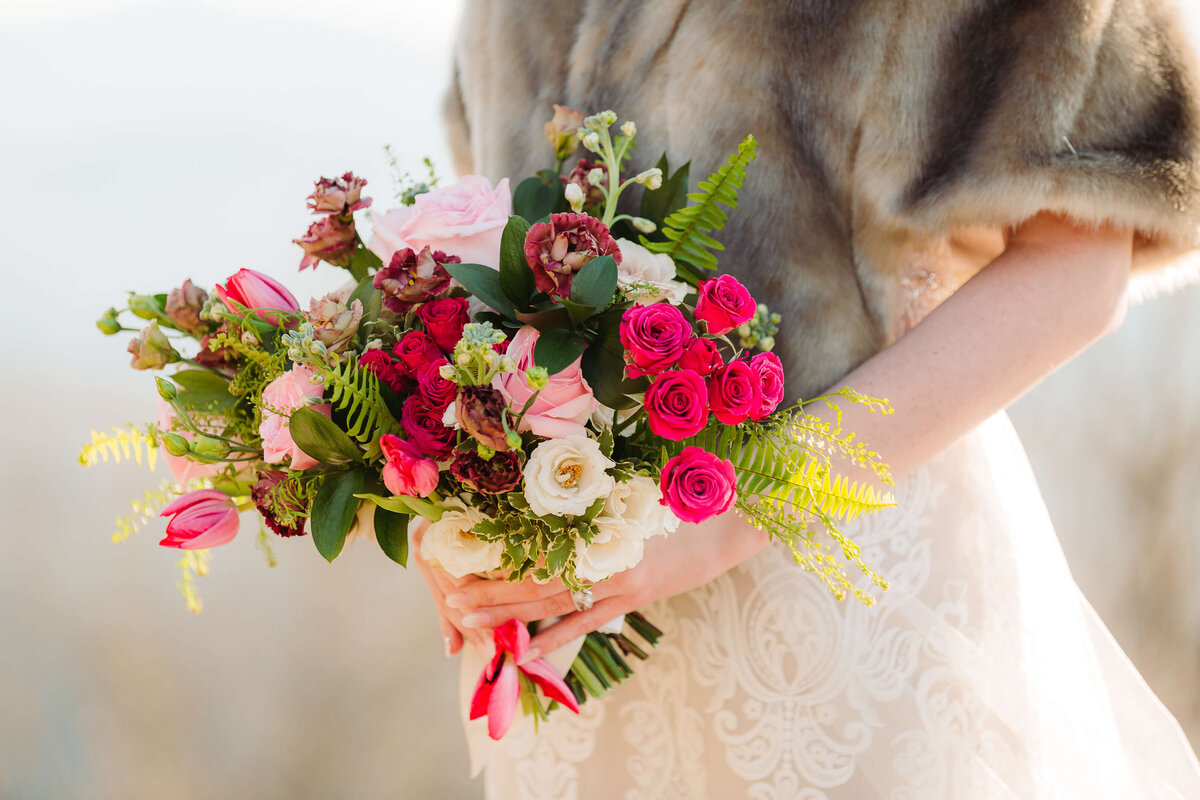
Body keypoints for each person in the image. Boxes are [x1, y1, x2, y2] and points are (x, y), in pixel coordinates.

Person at [416, 1, 1200, 796]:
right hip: (579, 623)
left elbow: (1081, 271)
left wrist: (735, 514)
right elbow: (500, 240)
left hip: (847, 583)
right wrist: (454, 492)